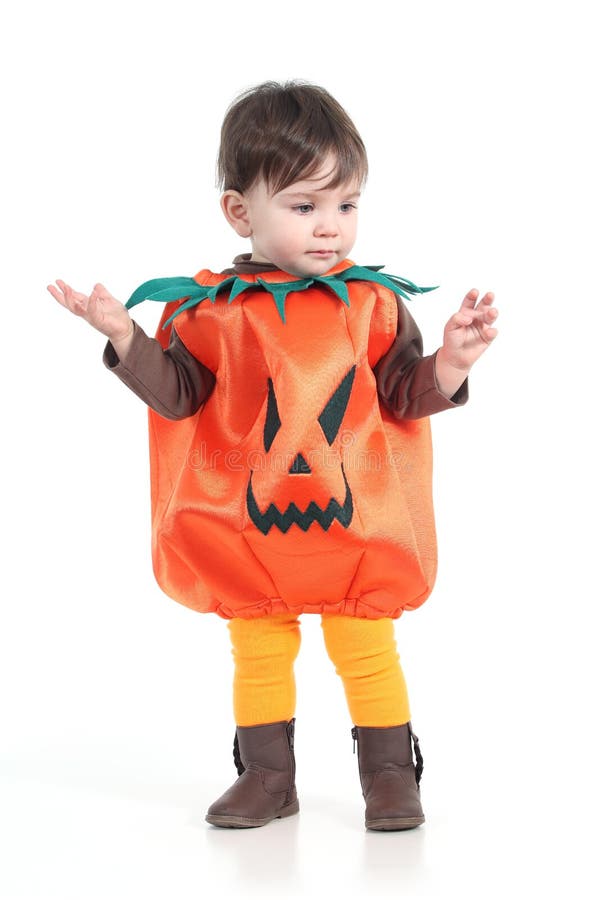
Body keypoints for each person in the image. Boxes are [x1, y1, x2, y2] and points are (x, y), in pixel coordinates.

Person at [47, 80, 498, 832]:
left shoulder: (374, 305)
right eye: (304, 206)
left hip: (355, 531)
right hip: (251, 531)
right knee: (259, 646)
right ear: (239, 210)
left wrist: (451, 361)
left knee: (364, 644)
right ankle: (267, 776)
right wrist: (128, 338)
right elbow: (180, 397)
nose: (331, 229)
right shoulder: (208, 312)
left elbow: (404, 397)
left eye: (346, 205)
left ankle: (389, 775)